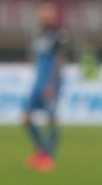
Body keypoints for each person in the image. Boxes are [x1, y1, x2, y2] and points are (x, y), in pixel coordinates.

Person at [22, 2, 68, 172]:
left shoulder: (58, 35)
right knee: (27, 117)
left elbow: (59, 61)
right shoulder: (40, 35)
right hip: (39, 81)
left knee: (52, 119)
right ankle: (42, 152)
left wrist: (52, 84)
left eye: (48, 12)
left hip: (50, 82)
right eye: (42, 12)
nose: (44, 15)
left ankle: (49, 158)